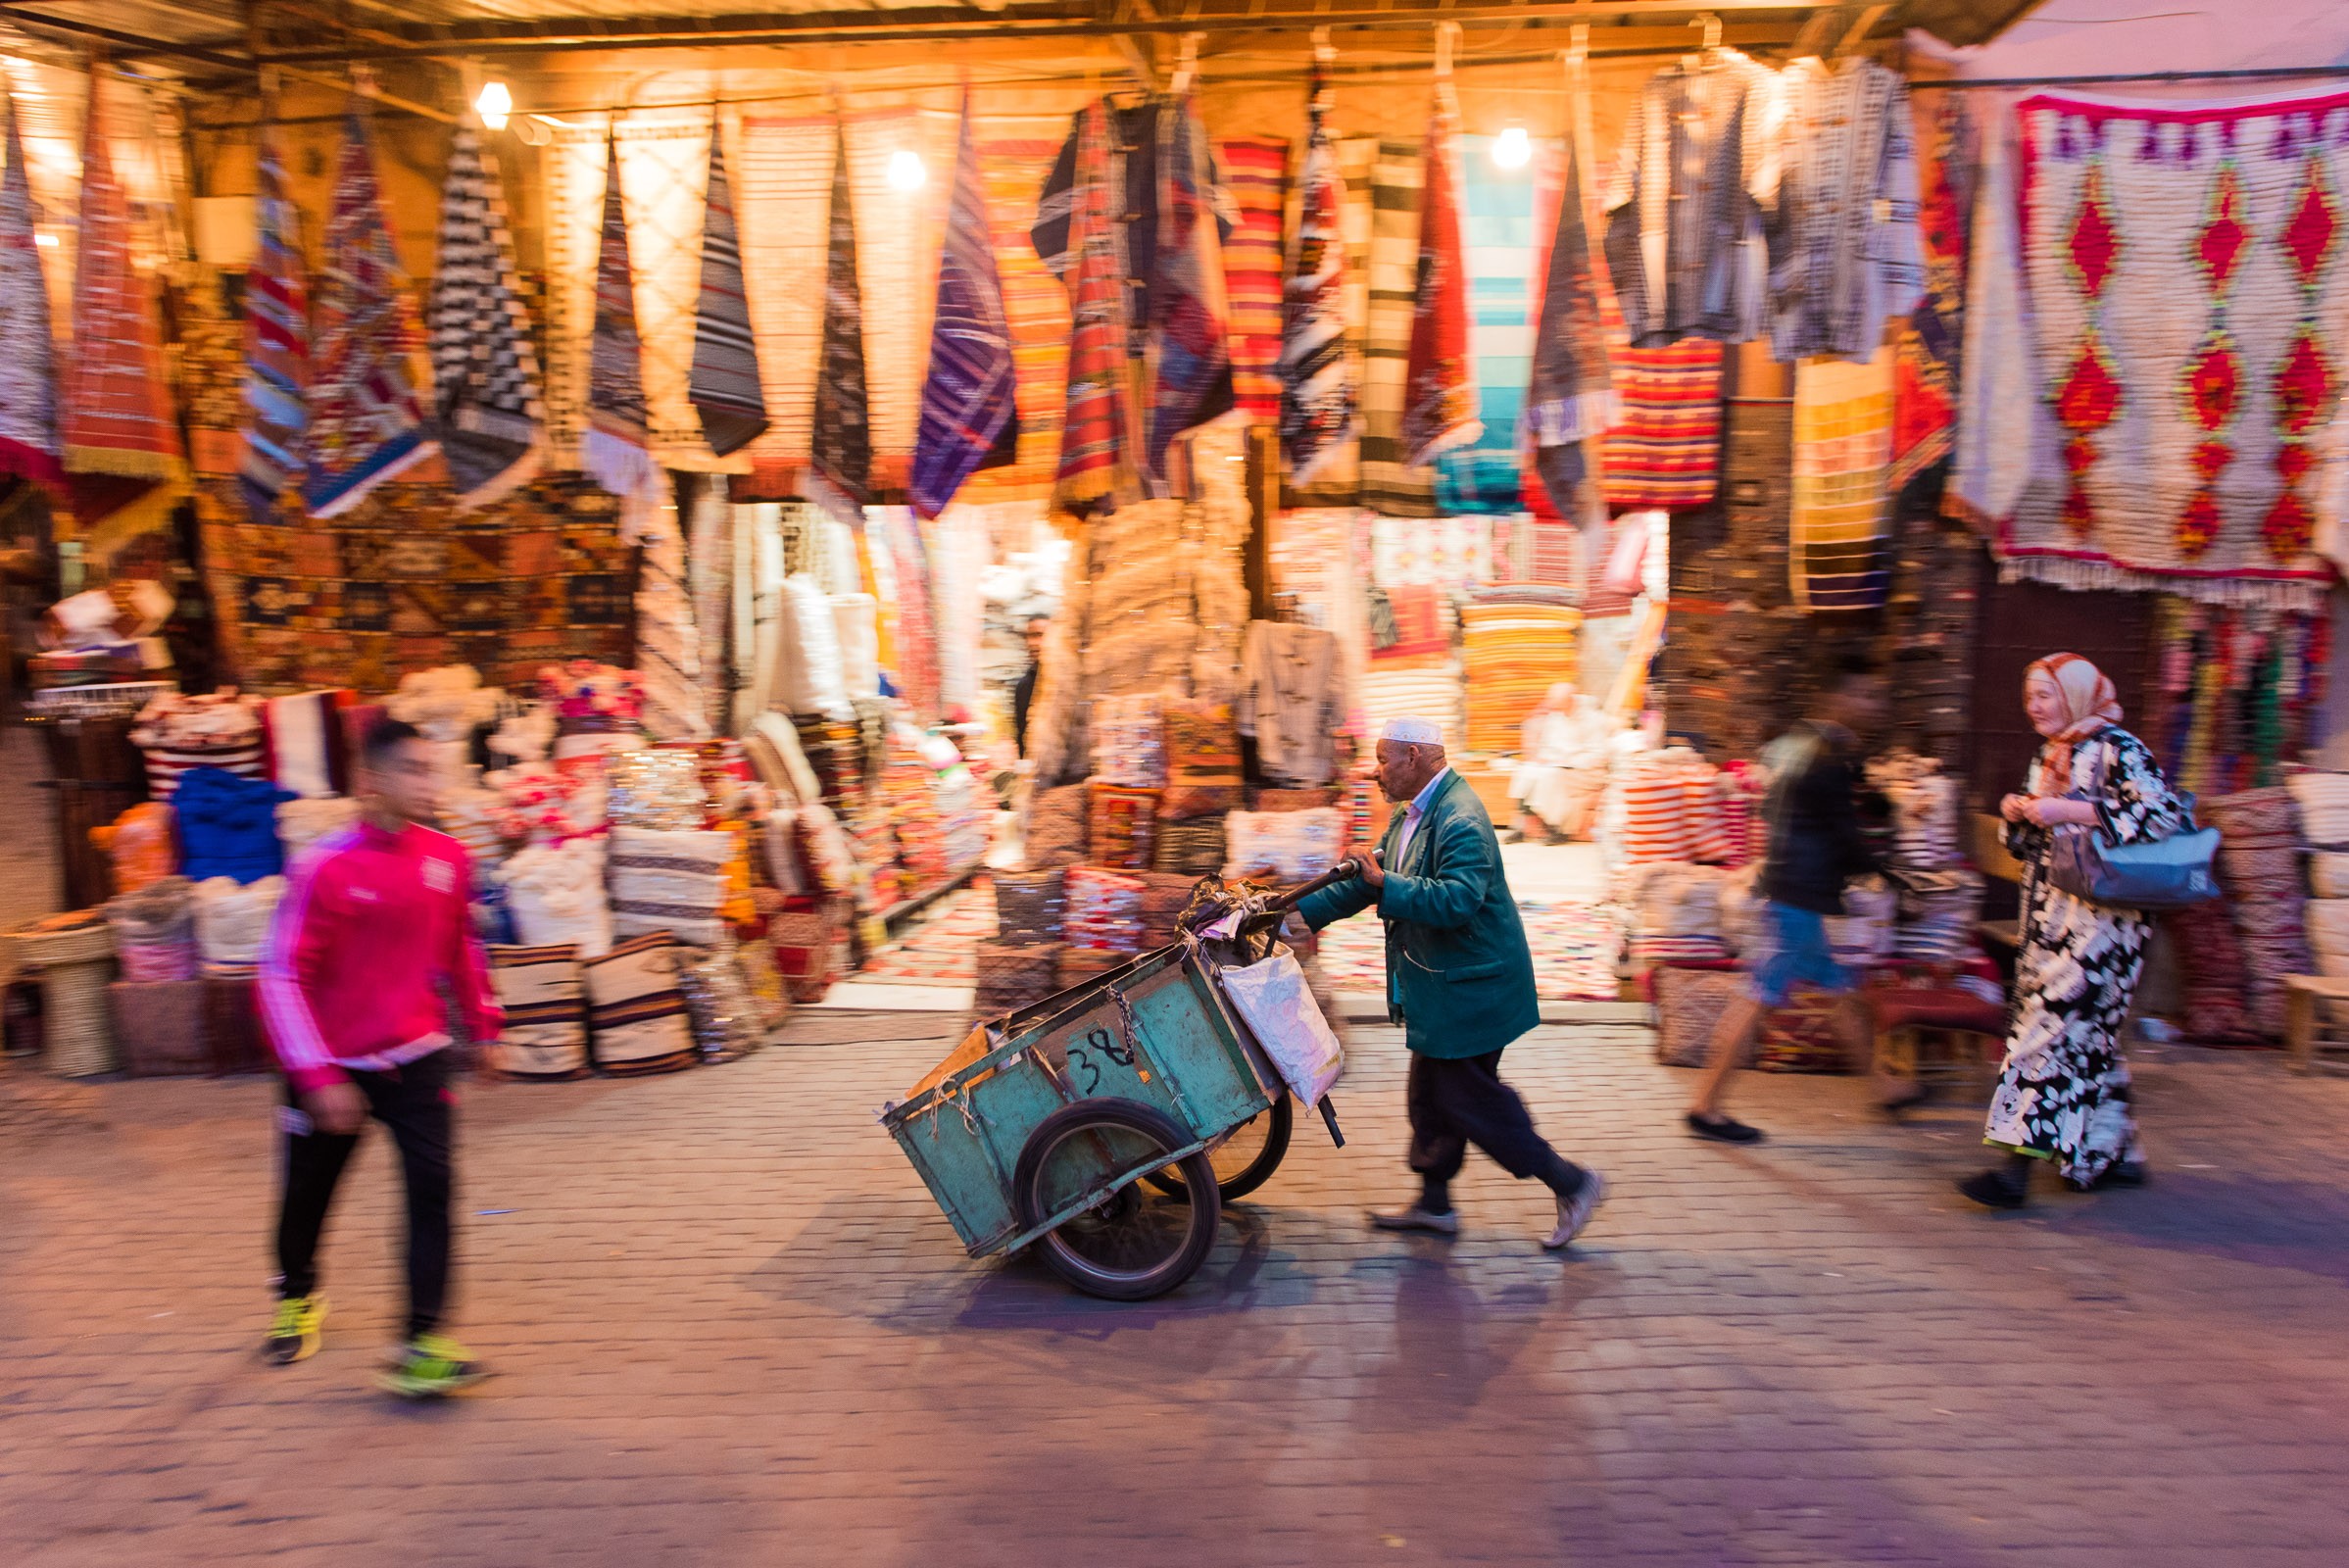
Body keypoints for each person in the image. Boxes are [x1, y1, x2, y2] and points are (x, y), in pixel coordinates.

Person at [1295, 716, 1606, 1250]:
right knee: (1431, 1097)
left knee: (1468, 1100)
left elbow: (1457, 899)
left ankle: (1572, 1183)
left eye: (1383, 759)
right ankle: (1434, 1205)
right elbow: (1372, 881)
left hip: (1474, 987)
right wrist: (1292, 915)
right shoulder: (1412, 815)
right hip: (1445, 985)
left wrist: (1385, 883)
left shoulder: (1460, 817)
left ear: (1414, 756)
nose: (1375, 773)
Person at [258, 716, 501, 1397]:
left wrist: (485, 1026)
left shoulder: (448, 859)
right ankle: (298, 1295)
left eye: (434, 769)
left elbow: (461, 947)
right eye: (414, 770)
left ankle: (422, 1341)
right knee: (307, 1196)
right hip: (329, 1068)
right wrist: (316, 1075)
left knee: (433, 1190)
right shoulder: (322, 867)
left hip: (418, 1058)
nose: (431, 784)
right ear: (371, 782)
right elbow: (279, 976)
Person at [1961, 654, 2179, 1209]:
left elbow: (2161, 816)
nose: (2033, 706)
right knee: (2089, 1039)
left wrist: (2067, 810)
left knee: (2044, 1032)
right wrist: (2021, 815)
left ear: (2076, 695)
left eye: (2045, 695)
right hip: (2051, 921)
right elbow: (2034, 847)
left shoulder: (2119, 748)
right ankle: (2113, 1155)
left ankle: (2014, 1169)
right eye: (2030, 695)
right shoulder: (2050, 755)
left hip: (2106, 925)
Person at [1687, 657, 1908, 1145]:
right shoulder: (1826, 759)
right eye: (1865, 696)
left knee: (1837, 992)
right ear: (1839, 699)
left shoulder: (1798, 746)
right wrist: (1888, 876)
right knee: (1758, 998)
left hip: (1790, 891)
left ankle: (1884, 1085)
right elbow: (1846, 837)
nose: (1874, 706)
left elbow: (1777, 811)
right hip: (1795, 899)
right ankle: (1705, 1107)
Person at [1510, 683, 1610, 842]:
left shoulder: (1594, 720)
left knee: (1551, 776)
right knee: (1526, 771)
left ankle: (1558, 829)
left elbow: (1599, 754)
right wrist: (1544, 758)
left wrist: (1568, 762)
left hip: (1586, 771)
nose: (1553, 707)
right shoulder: (1556, 717)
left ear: (1570, 700)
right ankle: (1521, 826)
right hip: (1557, 765)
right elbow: (1547, 746)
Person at [1011, 614, 1048, 757]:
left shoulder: (1067, 684)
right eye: (1029, 636)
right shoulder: (1023, 686)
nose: (1032, 643)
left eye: (1039, 635)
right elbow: (1022, 737)